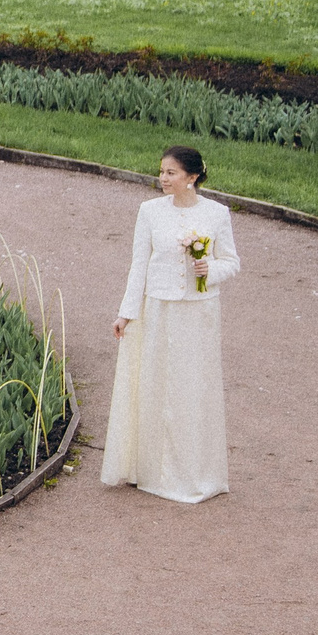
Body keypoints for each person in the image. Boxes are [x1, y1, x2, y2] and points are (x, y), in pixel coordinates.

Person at [102, 144, 241, 503]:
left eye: (171, 173)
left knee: (192, 389)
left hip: (198, 314)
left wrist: (209, 270)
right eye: (161, 172)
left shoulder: (216, 213)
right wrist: (126, 312)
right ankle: (151, 470)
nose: (162, 178)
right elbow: (139, 265)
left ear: (192, 177)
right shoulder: (149, 212)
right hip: (158, 311)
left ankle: (195, 473)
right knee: (155, 387)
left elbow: (231, 262)